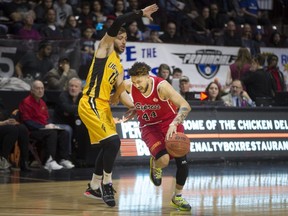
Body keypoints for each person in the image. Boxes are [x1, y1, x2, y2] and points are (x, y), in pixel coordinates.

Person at [78, 4, 158, 208]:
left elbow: (121, 93)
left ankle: (94, 186)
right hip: (90, 102)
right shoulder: (104, 48)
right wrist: (140, 13)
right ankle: (107, 182)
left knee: (109, 145)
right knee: (113, 143)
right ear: (113, 38)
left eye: (126, 39)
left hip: (104, 106)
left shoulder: (120, 67)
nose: (124, 42)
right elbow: (120, 21)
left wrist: (136, 107)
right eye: (121, 38)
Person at [110, 62, 192, 211]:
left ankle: (177, 196)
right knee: (164, 160)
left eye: (139, 81)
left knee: (183, 160)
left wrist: (174, 124)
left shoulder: (161, 86)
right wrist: (127, 103)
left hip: (171, 122)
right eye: (134, 82)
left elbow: (185, 106)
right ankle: (156, 165)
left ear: (148, 77)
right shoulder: (130, 84)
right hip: (149, 126)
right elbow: (121, 88)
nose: (137, 85)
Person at [19, 80, 75, 170]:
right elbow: (27, 121)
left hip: (43, 129)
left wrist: (51, 124)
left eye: (42, 88)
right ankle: (49, 161)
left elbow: (46, 118)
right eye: (37, 88)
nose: (40, 91)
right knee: (52, 133)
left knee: (63, 132)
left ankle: (63, 159)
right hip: (32, 131)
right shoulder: (26, 102)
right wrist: (43, 127)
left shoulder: (42, 103)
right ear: (32, 90)